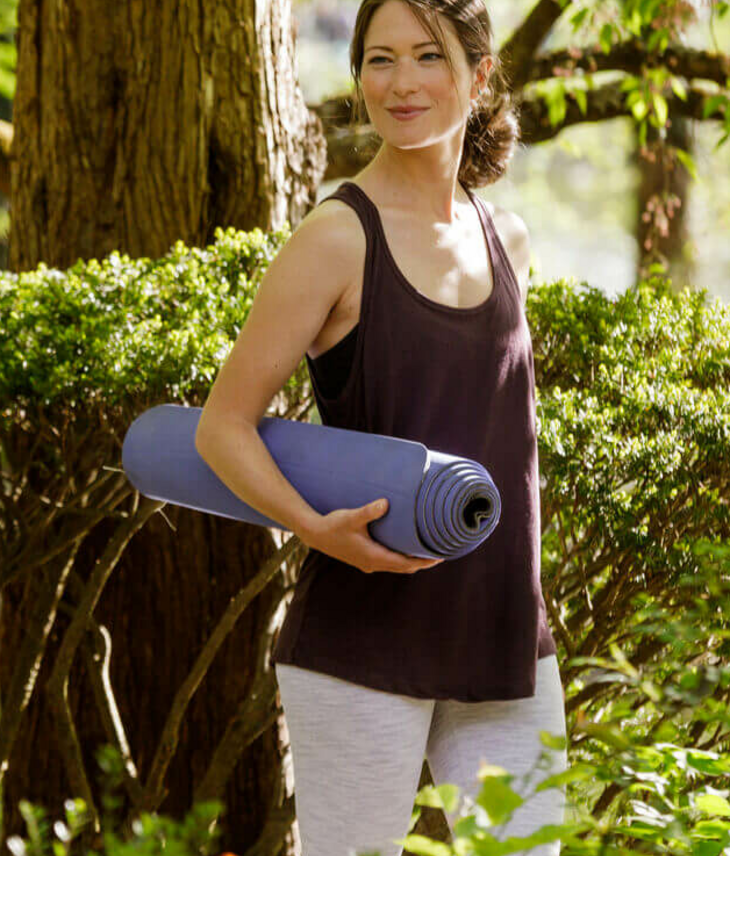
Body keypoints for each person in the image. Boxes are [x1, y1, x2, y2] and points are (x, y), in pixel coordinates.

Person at [195, 0, 568, 856]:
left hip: (507, 645)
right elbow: (224, 426)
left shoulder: (503, 232)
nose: (400, 84)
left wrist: (533, 604)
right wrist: (315, 530)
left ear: (478, 76)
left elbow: (515, 445)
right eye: (379, 59)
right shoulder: (335, 238)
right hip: (363, 643)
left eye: (427, 57)